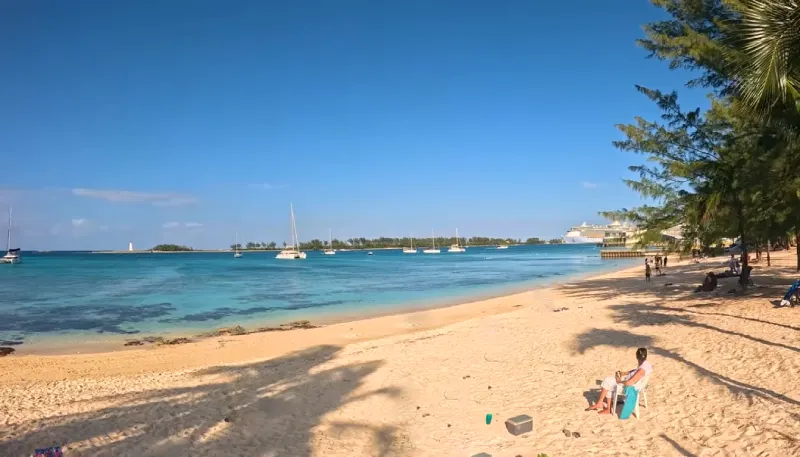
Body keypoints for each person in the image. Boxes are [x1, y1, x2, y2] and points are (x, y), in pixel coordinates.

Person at [586, 348, 653, 415]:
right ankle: (604, 406)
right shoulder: (646, 365)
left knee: (607, 381)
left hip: (630, 388)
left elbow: (630, 382)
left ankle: (602, 405)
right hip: (636, 386)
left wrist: (619, 381)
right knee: (608, 381)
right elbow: (636, 371)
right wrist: (624, 373)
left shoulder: (642, 370)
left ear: (637, 357)